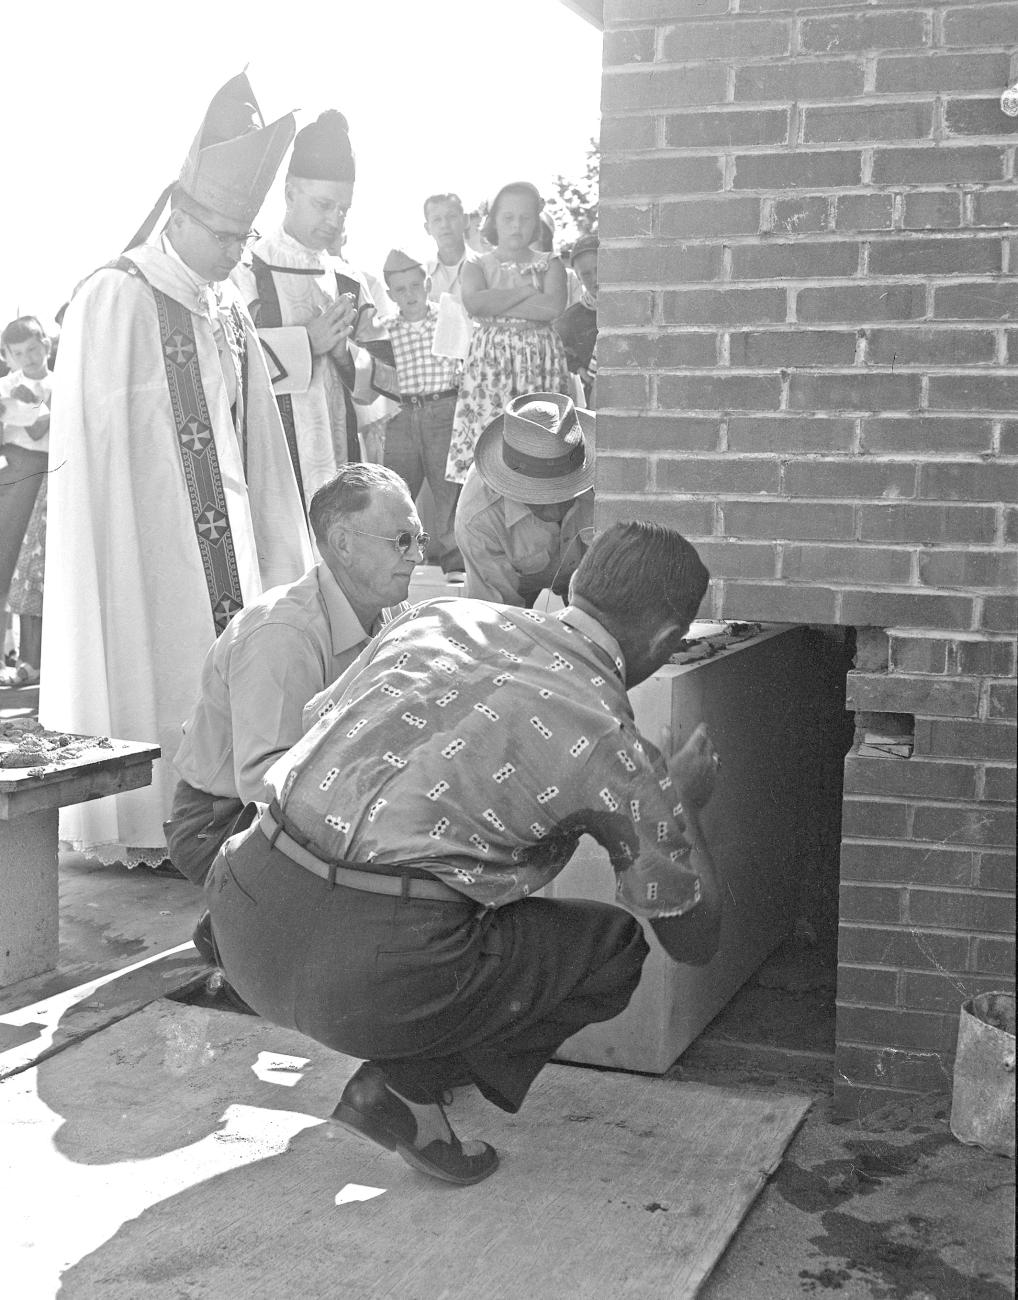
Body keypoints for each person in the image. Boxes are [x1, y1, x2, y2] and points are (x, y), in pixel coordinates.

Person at [205, 521, 724, 1185]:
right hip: (363, 976)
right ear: (661, 642)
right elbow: (694, 937)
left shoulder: (435, 616)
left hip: (243, 910)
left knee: (417, 888)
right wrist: (683, 803)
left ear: (575, 585)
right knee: (613, 950)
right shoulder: (616, 750)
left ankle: (407, 1031)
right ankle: (406, 1087)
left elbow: (319, 723)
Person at [38, 72, 313, 868]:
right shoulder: (113, 297)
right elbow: (103, 464)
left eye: (243, 240)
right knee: (159, 670)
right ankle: (154, 826)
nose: (236, 255)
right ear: (183, 215)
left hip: (230, 545)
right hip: (148, 557)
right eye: (226, 239)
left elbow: (254, 443)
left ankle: (228, 824)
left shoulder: (222, 304)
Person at [167, 463, 423, 886]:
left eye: (419, 539)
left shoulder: (388, 609)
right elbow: (265, 788)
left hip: (306, 802)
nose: (417, 555)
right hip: (224, 824)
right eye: (402, 541)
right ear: (343, 544)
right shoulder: (283, 634)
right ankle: (244, 925)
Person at [234, 110, 399, 510]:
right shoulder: (247, 270)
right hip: (270, 461)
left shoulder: (351, 282)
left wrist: (346, 356)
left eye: (343, 209)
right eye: (324, 205)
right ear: (290, 192)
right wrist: (307, 342)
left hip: (342, 464)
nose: (334, 220)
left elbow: (390, 384)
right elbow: (229, 366)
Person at [445, 181, 570, 485]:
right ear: (494, 221)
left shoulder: (549, 263)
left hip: (537, 358)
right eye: (508, 217)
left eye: (525, 218)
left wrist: (497, 301)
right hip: (491, 363)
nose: (517, 226)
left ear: (536, 219)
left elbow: (552, 307)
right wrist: (526, 291)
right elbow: (475, 303)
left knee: (538, 443)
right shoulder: (477, 263)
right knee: (491, 443)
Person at [455, 392, 594, 608]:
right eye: (537, 496)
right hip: (516, 587)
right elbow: (494, 618)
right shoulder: (478, 515)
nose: (553, 508)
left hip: (593, 581)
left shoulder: (614, 476)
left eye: (563, 491)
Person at [379, 249, 463, 575]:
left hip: (443, 409)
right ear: (390, 294)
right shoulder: (385, 329)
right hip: (402, 414)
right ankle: (399, 560)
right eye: (400, 290)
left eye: (415, 285)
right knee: (396, 490)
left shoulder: (448, 317)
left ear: (427, 284)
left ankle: (455, 563)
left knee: (448, 490)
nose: (410, 294)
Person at [0, 316, 52, 687]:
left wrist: (36, 402)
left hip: (52, 474)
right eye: (19, 353)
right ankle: (11, 657)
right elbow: (29, 426)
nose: (28, 358)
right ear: (9, 357)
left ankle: (35, 661)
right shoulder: (6, 386)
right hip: (16, 473)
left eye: (33, 349)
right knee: (7, 563)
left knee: (38, 569)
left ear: (46, 345)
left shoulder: (62, 381)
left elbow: (41, 425)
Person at [555, 232, 598, 406]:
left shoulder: (631, 306)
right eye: (586, 274)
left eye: (598, 269)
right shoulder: (572, 317)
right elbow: (558, 348)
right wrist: (580, 370)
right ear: (578, 278)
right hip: (593, 398)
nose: (595, 279)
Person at [423, 193, 477, 306]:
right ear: (428, 228)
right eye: (437, 219)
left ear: (466, 220)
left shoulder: (485, 267)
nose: (444, 225)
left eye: (451, 216)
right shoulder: (421, 274)